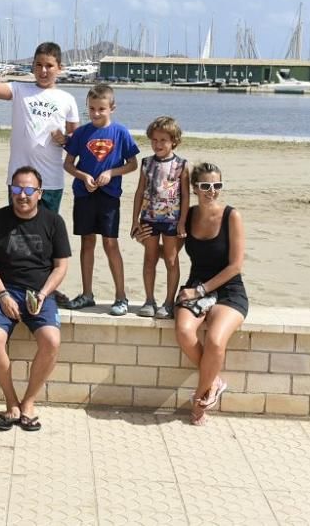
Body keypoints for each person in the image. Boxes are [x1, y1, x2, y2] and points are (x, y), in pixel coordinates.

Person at [0, 166, 71, 432]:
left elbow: (61, 266)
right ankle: (11, 403)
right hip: (4, 290)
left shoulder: (53, 222)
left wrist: (43, 294)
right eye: (17, 189)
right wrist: (3, 294)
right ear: (11, 191)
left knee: (51, 341)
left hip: (39, 293)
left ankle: (29, 402)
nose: (23, 195)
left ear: (39, 193)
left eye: (29, 190)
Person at [159, 163, 247, 426]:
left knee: (216, 342)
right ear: (195, 189)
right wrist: (147, 239)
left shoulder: (232, 216)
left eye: (217, 186)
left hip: (228, 290)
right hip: (196, 287)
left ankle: (200, 398)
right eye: (206, 186)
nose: (212, 192)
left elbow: (235, 266)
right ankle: (214, 381)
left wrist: (201, 290)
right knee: (185, 331)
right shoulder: (188, 215)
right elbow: (171, 253)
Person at [0, 32, 79, 213]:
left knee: (46, 233)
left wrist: (64, 139)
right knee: (17, 233)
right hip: (18, 180)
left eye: (49, 66)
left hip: (50, 181)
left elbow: (75, 139)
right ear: (32, 66)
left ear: (60, 68)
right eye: (39, 65)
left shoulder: (68, 99)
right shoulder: (19, 89)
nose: (43, 71)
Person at [62, 83, 139, 314]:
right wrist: (83, 176)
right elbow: (68, 164)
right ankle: (87, 294)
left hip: (109, 196)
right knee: (87, 242)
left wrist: (111, 173)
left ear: (112, 108)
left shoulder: (121, 133)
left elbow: (133, 164)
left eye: (101, 109)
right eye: (92, 108)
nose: (96, 113)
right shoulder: (81, 133)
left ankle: (121, 296)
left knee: (110, 243)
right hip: (84, 194)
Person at [131, 116, 189, 318]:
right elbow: (139, 192)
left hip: (172, 220)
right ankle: (149, 300)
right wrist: (135, 221)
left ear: (173, 141)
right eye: (154, 140)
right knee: (150, 258)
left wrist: (182, 221)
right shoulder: (146, 163)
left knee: (172, 261)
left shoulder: (181, 164)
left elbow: (185, 195)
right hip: (149, 218)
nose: (158, 144)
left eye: (163, 140)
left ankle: (168, 302)